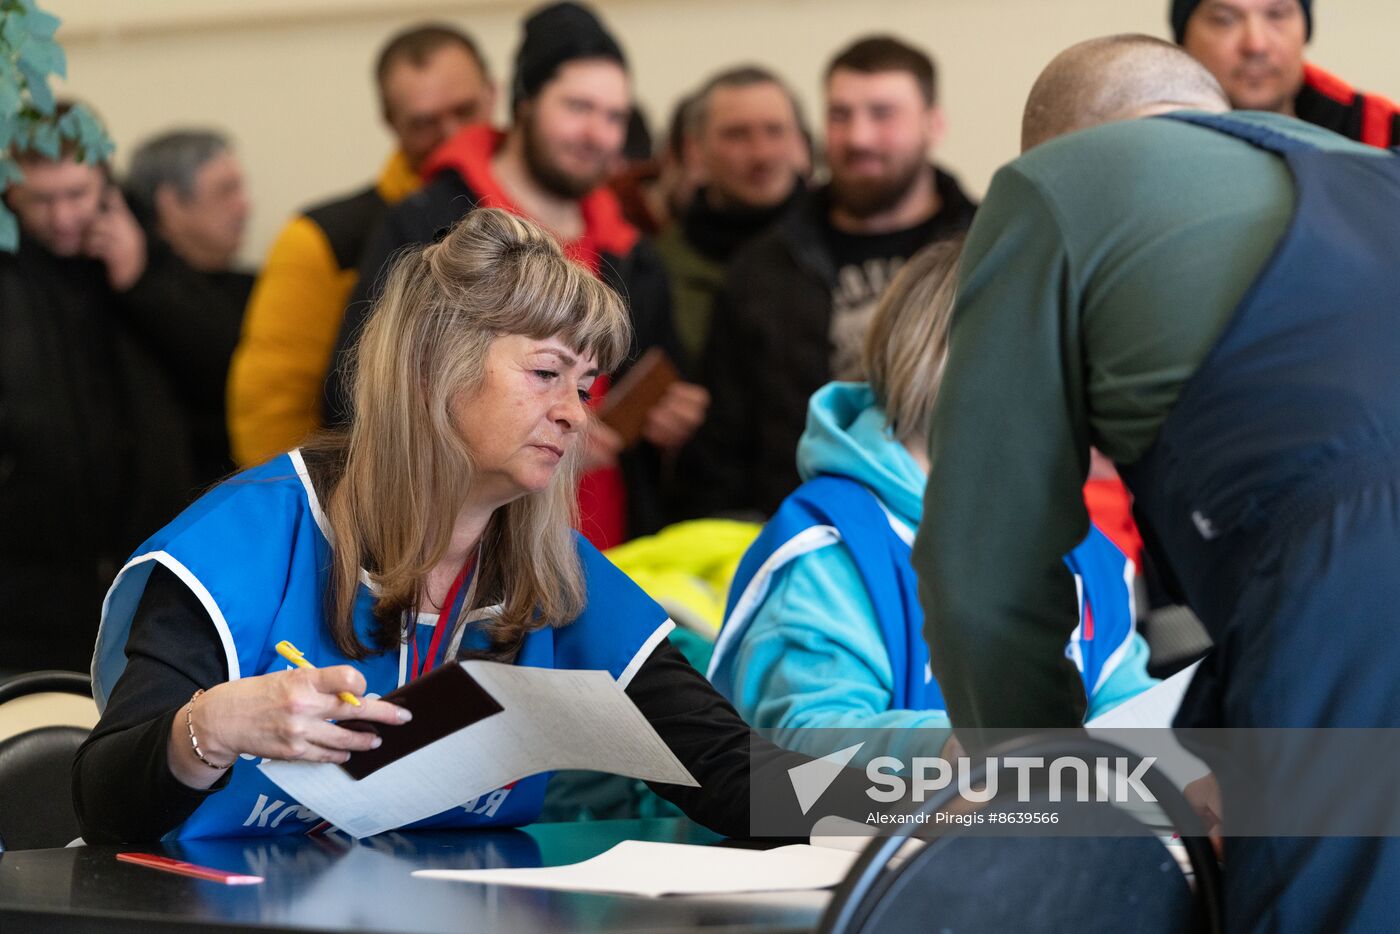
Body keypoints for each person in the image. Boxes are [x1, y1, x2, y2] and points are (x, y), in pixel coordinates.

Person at [74, 208, 818, 843]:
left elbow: (733, 773)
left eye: (585, 387)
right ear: (435, 363)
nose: (575, 413)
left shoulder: (553, 568)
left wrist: (923, 807)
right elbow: (105, 806)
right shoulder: (252, 539)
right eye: (546, 373)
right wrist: (209, 728)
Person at [913, 34, 1400, 930]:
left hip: (1354, 580)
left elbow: (984, 572)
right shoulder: (1373, 169)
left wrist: (1041, 797)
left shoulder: (1052, 185)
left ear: (1054, 145)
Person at [707, 241, 1154, 764]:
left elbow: (1130, 712)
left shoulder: (1089, 559)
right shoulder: (834, 547)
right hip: (854, 844)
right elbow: (796, 746)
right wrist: (946, 751)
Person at [325, 1, 708, 549]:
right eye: (578, 106)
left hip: (611, 547)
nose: (597, 134)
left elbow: (658, 388)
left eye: (615, 116)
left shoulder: (633, 254)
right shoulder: (432, 223)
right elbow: (359, 394)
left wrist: (668, 421)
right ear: (522, 102)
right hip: (456, 545)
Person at [687, 35, 976, 520]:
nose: (859, 137)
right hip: (806, 535)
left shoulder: (991, 252)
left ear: (933, 123)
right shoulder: (762, 267)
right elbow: (721, 451)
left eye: (883, 114)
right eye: (840, 115)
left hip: (962, 528)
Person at [0, 103, 229, 672]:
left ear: (105, 181)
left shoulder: (147, 252)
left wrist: (142, 281)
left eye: (76, 194)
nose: (61, 217)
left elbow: (225, 372)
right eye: (40, 200)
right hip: (26, 587)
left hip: (149, 569)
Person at [226, 24, 495, 467]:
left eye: (465, 111)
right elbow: (270, 411)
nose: (451, 135)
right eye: (425, 123)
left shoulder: (532, 214)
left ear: (492, 94)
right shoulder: (322, 239)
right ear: (390, 121)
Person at [654, 66, 809, 374]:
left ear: (799, 141)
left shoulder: (840, 241)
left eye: (775, 131)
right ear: (694, 150)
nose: (761, 154)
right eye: (737, 135)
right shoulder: (657, 267)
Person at [126, 129, 256, 481]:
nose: (245, 206)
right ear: (171, 204)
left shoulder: (258, 288)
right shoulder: (132, 298)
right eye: (226, 191)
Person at [1173, 0, 1400, 147]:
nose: (1256, 45)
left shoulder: (1383, 133)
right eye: (1224, 20)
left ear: (1306, 31)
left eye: (1277, 15)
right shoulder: (1146, 139)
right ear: (1183, 40)